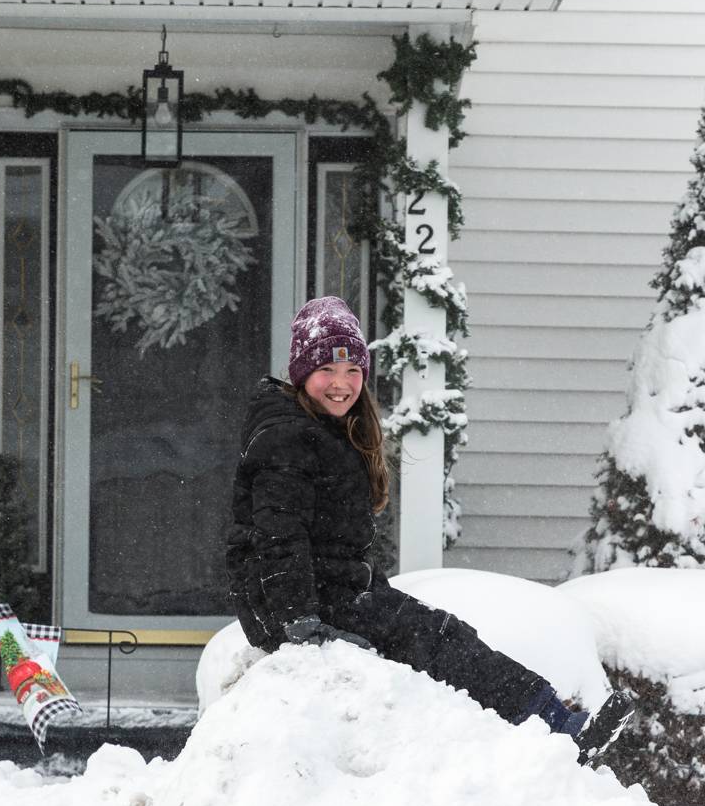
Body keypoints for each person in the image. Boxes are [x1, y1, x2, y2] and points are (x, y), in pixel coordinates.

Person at [226, 296, 632, 765]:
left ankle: (553, 727)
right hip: (306, 604)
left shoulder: (324, 429)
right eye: (326, 371)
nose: (341, 384)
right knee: (440, 641)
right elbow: (277, 536)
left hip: (334, 590)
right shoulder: (288, 437)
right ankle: (555, 731)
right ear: (301, 373)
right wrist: (299, 622)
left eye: (353, 371)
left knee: (445, 637)